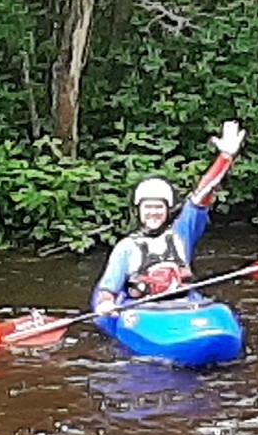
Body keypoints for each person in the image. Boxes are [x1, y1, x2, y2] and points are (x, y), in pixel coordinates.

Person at [92, 121, 245, 316]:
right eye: (148, 207)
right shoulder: (126, 247)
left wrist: (225, 158)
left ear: (168, 210)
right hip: (145, 311)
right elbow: (108, 288)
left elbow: (203, 194)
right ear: (138, 211)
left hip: (183, 307)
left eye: (158, 207)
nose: (153, 213)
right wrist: (106, 303)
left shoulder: (181, 234)